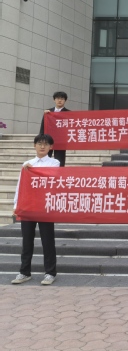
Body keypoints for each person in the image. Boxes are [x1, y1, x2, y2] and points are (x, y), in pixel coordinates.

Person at [11, 134, 60, 286]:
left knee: (47, 240)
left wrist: (33, 170)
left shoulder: (54, 163)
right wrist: (16, 205)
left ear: (51, 147)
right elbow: (20, 186)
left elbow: (51, 177)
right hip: (28, 206)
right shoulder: (27, 164)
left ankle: (50, 273)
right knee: (27, 240)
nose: (42, 146)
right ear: (34, 145)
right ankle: (24, 272)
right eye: (39, 143)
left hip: (45, 206)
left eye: (45, 144)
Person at [39, 91, 70, 166]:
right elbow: (43, 126)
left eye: (62, 99)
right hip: (48, 139)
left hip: (61, 140)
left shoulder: (69, 113)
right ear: (54, 100)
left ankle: (59, 173)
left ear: (65, 101)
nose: (59, 100)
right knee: (45, 158)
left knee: (60, 160)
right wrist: (41, 137)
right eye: (57, 98)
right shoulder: (48, 112)